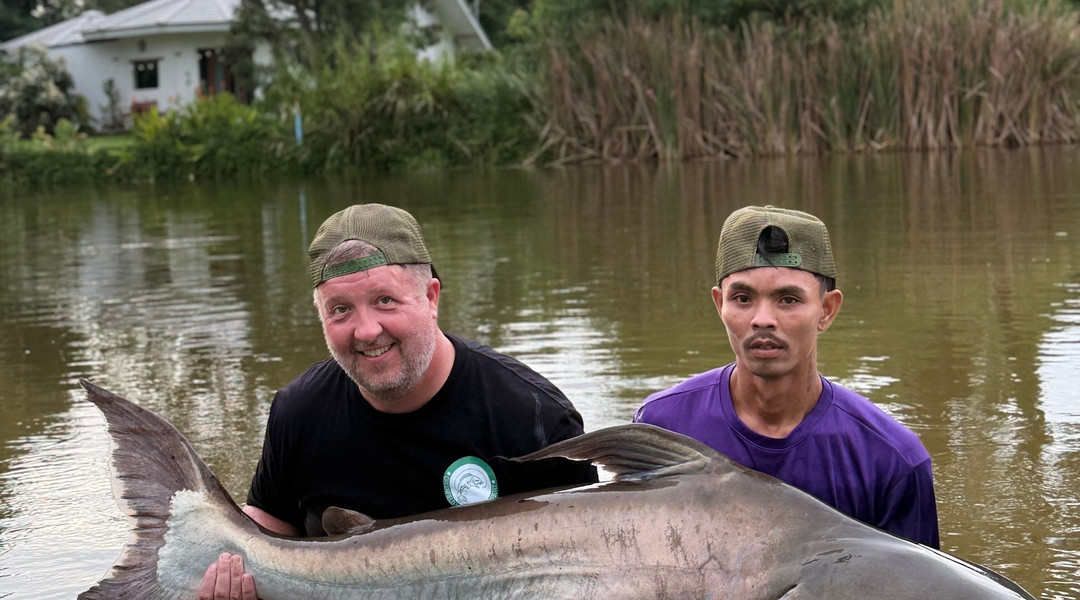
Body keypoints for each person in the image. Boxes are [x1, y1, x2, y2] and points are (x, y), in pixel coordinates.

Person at [199, 202, 596, 600]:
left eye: (385, 300)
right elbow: (261, 533)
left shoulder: (535, 417)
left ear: (431, 297)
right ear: (321, 317)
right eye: (341, 310)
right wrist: (228, 575)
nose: (367, 331)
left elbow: (585, 568)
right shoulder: (299, 410)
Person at [633, 204, 940, 548]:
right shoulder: (663, 427)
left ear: (827, 310)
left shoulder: (890, 461)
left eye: (788, 299)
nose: (762, 319)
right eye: (743, 298)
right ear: (720, 304)